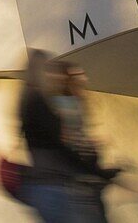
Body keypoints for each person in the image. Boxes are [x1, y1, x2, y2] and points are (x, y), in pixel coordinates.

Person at [19, 50, 117, 223]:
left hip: (61, 183)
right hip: (64, 184)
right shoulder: (44, 103)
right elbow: (63, 144)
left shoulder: (32, 101)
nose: (84, 80)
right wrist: (99, 172)